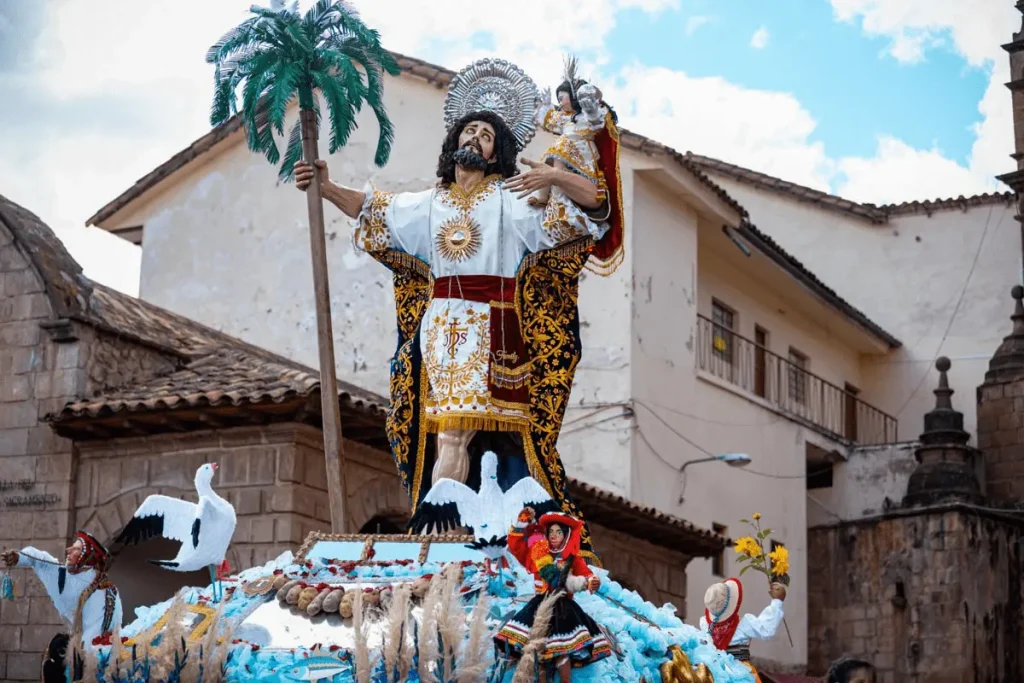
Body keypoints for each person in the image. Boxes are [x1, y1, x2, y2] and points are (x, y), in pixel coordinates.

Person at [294, 59, 613, 561]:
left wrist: (554, 174)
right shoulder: (428, 203)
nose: (477, 137)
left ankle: (443, 540)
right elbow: (373, 210)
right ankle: (450, 536)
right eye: (470, 129)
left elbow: (593, 206)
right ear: (454, 143)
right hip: (440, 329)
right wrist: (327, 186)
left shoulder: (514, 200)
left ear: (498, 151)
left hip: (493, 325)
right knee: (449, 434)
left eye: (487, 135)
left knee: (467, 437)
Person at [494, 507, 611, 682]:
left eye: (559, 532)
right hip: (539, 604)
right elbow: (516, 547)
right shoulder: (537, 554)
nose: (554, 536)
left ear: (566, 536)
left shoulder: (572, 559)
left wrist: (593, 581)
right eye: (551, 532)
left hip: (563, 608)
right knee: (536, 649)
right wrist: (522, 523)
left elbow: (587, 574)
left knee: (561, 651)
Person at [1, 530, 122, 647]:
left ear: (86, 556)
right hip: (84, 647)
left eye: (76, 549)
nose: (68, 550)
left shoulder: (107, 589)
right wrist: (20, 557)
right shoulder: (62, 576)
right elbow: (40, 559)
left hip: (99, 649)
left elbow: (109, 625)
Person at [699, 577, 786, 683]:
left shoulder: (705, 624)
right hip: (740, 674)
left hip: (715, 674)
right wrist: (777, 601)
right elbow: (766, 630)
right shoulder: (744, 624)